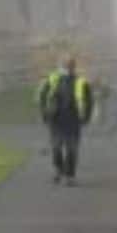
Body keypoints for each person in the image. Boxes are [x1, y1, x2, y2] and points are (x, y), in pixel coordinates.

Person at [37, 56, 94, 185]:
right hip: (56, 119)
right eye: (65, 65)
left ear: (74, 67)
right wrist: (44, 113)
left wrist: (86, 116)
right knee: (56, 148)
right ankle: (58, 170)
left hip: (73, 119)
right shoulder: (52, 79)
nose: (68, 68)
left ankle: (70, 176)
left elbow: (89, 101)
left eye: (70, 65)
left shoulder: (81, 82)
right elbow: (42, 96)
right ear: (61, 66)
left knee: (71, 149)